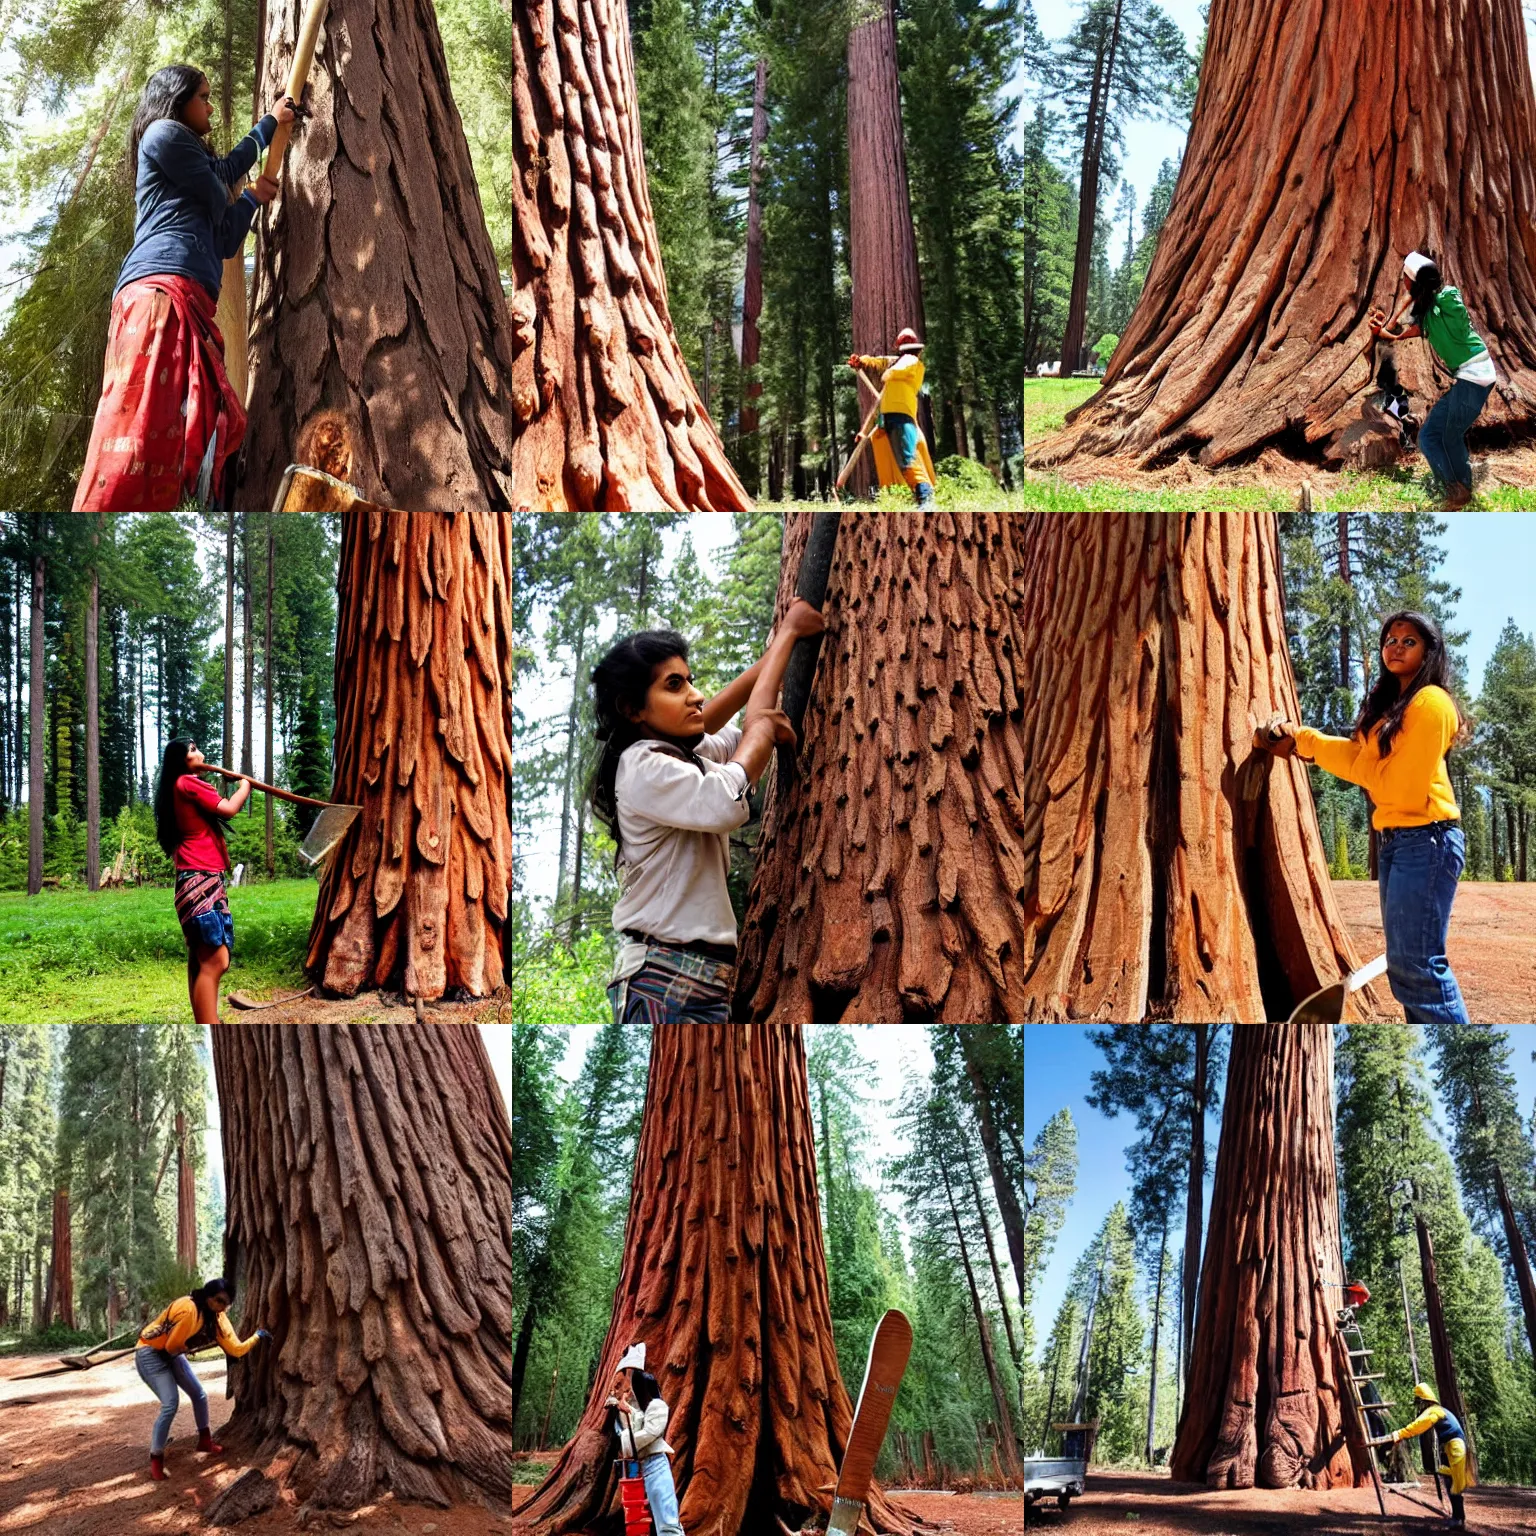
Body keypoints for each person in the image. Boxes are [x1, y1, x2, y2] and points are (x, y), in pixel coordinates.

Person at [588, 597, 827, 1024]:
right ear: (632, 709)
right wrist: (786, 641)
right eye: (674, 685)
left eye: (690, 680)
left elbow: (723, 728)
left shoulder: (678, 757)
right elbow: (725, 794)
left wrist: (779, 649)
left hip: (695, 980)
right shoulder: (643, 766)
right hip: (664, 979)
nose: (695, 695)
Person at [72, 67, 300, 511]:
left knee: (198, 427)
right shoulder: (162, 134)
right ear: (177, 101)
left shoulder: (197, 178)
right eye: (203, 97)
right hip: (157, 296)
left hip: (188, 299)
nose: (211, 107)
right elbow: (220, 182)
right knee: (136, 431)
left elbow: (226, 241)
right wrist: (269, 124)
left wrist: (252, 198)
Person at [1257, 611, 1470, 1024]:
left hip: (1427, 839)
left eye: (1409, 641)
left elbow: (1398, 786)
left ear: (1429, 651)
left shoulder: (1432, 703)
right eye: (1390, 639)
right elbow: (1359, 759)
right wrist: (1304, 742)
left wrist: (1319, 750)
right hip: (1398, 842)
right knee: (1408, 968)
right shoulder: (1390, 707)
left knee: (1418, 969)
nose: (1396, 646)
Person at [1370, 251, 1496, 510]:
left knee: (1430, 437)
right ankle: (1462, 488)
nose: (1403, 284)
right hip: (1473, 378)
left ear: (1416, 282)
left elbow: (1444, 298)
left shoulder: (1448, 298)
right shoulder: (1427, 315)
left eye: (1405, 279)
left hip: (1475, 376)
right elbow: (1397, 334)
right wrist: (1382, 328)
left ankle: (1455, 490)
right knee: (1448, 436)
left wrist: (1418, 289)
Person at [154, 738, 251, 1024]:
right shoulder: (188, 782)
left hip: (193, 880)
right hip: (200, 881)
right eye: (193, 750)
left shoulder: (177, 786)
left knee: (201, 958)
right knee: (216, 960)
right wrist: (245, 784)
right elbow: (228, 809)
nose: (200, 753)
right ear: (181, 761)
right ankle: (211, 1024)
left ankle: (204, 1022)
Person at [136, 1275, 270, 1481]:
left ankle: (205, 1442)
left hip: (172, 1354)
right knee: (171, 1403)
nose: (222, 1307)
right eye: (219, 1301)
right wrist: (187, 1346)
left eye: (226, 1304)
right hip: (151, 1353)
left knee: (199, 1395)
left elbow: (235, 1349)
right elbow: (172, 1345)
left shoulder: (214, 1317)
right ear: (208, 1296)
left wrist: (257, 1337)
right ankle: (156, 1459)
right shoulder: (190, 1310)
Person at [1369, 1382, 1473, 1528]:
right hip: (1452, 1447)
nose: (1419, 1407)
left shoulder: (1434, 1412)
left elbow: (1418, 1426)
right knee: (1451, 1482)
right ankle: (1458, 1517)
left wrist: (1399, 1434)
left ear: (1424, 1401)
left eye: (1419, 1403)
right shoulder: (1437, 1410)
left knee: (1453, 1483)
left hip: (1455, 1448)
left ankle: (1458, 1519)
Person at [848, 328, 933, 505]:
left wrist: (890, 372)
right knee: (900, 462)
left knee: (908, 459)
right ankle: (913, 498)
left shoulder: (913, 364)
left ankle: (927, 499)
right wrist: (861, 361)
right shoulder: (896, 362)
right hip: (888, 419)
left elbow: (896, 369)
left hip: (903, 418)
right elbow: (877, 362)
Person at [606, 1343, 683, 1536]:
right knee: (642, 1519)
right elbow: (636, 1422)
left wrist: (626, 1435)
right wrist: (622, 1409)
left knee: (667, 1520)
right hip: (642, 1468)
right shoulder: (644, 1410)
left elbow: (649, 1432)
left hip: (656, 1464)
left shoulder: (658, 1407)